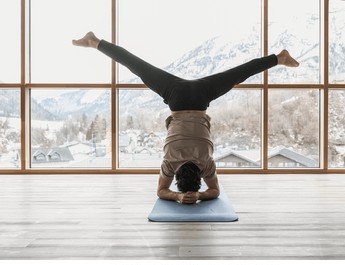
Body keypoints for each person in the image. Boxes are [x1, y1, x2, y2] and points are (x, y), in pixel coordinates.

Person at [73, 32, 299, 204]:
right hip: (176, 98)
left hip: (201, 98)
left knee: (237, 74)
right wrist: (177, 196)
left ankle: (279, 58)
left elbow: (215, 191)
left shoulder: (206, 162)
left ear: (199, 175)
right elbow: (161, 192)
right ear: (176, 175)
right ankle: (95, 42)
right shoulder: (170, 161)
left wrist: (199, 196)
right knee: (137, 66)